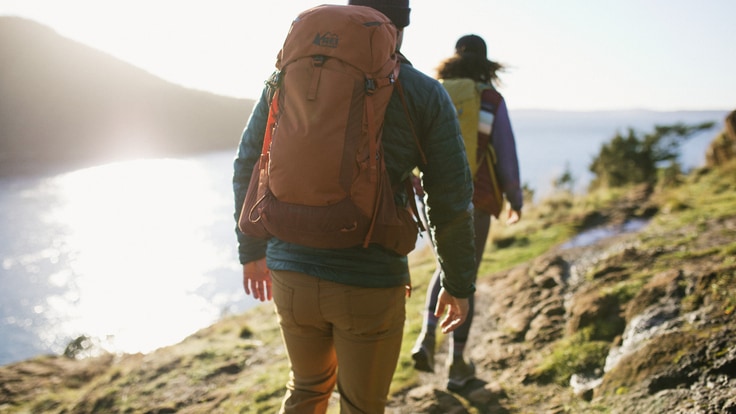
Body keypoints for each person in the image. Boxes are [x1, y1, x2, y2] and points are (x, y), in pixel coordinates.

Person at [232, 1, 477, 412]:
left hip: (289, 268)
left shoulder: (286, 76)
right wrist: (457, 283)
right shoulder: (422, 92)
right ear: (398, 28)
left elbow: (248, 162)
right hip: (369, 279)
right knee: (362, 405)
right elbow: (450, 198)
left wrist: (252, 251)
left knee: (307, 388)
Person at [411, 34, 523, 392]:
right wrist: (515, 198)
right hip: (478, 198)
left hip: (434, 196)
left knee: (446, 266)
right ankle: (457, 365)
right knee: (464, 276)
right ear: (485, 62)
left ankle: (427, 336)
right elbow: (505, 155)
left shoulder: (434, 91)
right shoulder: (490, 99)